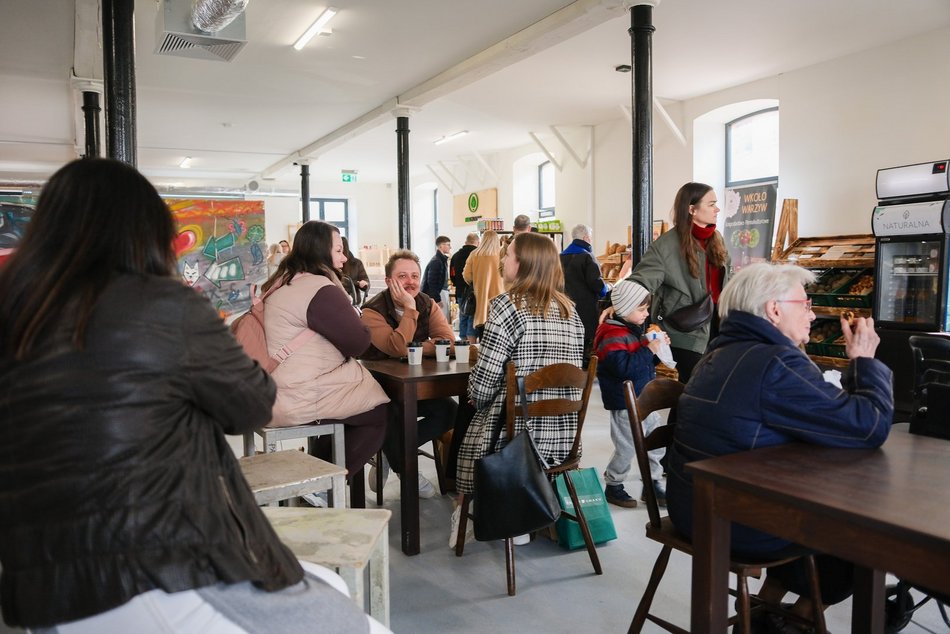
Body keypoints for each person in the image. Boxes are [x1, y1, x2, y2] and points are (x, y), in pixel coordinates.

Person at [0, 158, 383, 633]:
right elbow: (250, 404)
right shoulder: (162, 304)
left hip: (43, 588)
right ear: (147, 233)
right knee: (356, 624)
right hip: (156, 565)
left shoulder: (14, 306)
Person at [666, 262, 893, 628]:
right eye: (804, 304)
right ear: (774, 309)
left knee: (825, 513)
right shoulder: (776, 361)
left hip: (689, 506)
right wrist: (864, 361)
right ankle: (798, 617)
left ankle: (768, 606)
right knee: (862, 535)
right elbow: (869, 429)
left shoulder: (718, 353)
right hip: (732, 523)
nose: (813, 313)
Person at [452, 231, 585, 547]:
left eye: (508, 254)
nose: (503, 258)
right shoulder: (570, 311)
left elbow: (485, 380)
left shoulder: (506, 305)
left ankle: (465, 509)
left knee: (467, 414)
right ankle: (521, 509)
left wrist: (476, 395)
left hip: (518, 437)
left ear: (522, 264)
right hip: (564, 436)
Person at [262, 220, 389, 505]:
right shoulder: (320, 289)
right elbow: (358, 343)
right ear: (321, 251)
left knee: (345, 411)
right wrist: (361, 322)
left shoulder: (282, 283)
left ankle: (314, 475)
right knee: (377, 412)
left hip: (271, 390)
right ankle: (324, 485)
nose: (344, 257)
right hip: (298, 394)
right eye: (339, 249)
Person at [360, 250, 458, 498]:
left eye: (415, 275)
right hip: (378, 388)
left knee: (451, 410)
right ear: (388, 280)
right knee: (391, 413)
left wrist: (414, 348)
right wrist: (410, 309)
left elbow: (447, 340)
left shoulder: (428, 303)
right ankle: (406, 469)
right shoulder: (372, 310)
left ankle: (387, 451)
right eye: (402, 276)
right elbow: (395, 346)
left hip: (417, 384)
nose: (411, 281)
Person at [625, 182, 730, 383]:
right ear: (692, 209)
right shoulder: (665, 246)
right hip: (685, 331)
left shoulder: (717, 239)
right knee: (695, 389)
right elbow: (641, 281)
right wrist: (614, 303)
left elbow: (729, 280)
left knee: (702, 392)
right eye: (711, 204)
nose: (717, 209)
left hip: (718, 326)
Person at [592, 279, 670, 509]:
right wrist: (648, 349)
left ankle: (652, 482)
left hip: (646, 398)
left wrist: (658, 349)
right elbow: (624, 368)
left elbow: (642, 364)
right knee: (627, 446)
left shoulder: (631, 330)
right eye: (642, 309)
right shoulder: (610, 334)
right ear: (625, 309)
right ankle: (614, 484)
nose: (647, 314)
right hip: (624, 401)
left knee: (657, 438)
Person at [561, 223, 610, 363]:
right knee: (586, 338)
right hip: (585, 306)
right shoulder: (587, 256)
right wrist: (605, 290)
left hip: (565, 304)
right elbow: (596, 283)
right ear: (586, 238)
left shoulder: (560, 256)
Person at [462, 229, 504, 338]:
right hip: (500, 300)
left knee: (483, 334)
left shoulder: (474, 254)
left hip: (481, 299)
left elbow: (466, 275)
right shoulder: (502, 254)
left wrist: (477, 281)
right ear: (496, 240)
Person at [451, 232, 480, 343]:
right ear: (477, 242)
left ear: (465, 242)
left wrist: (458, 284)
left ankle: (462, 341)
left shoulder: (455, 256)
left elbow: (452, 274)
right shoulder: (477, 255)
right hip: (473, 291)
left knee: (462, 315)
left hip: (460, 291)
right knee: (472, 316)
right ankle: (471, 343)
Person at [421, 235, 452, 323]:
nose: (450, 247)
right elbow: (432, 282)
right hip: (438, 293)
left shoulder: (440, 260)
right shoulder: (436, 261)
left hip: (441, 292)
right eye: (448, 244)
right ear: (441, 246)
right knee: (440, 320)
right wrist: (437, 299)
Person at [341, 235, 370, 306]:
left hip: (354, 303)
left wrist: (364, 284)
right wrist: (356, 283)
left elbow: (365, 281)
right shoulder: (330, 263)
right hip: (336, 301)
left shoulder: (356, 263)